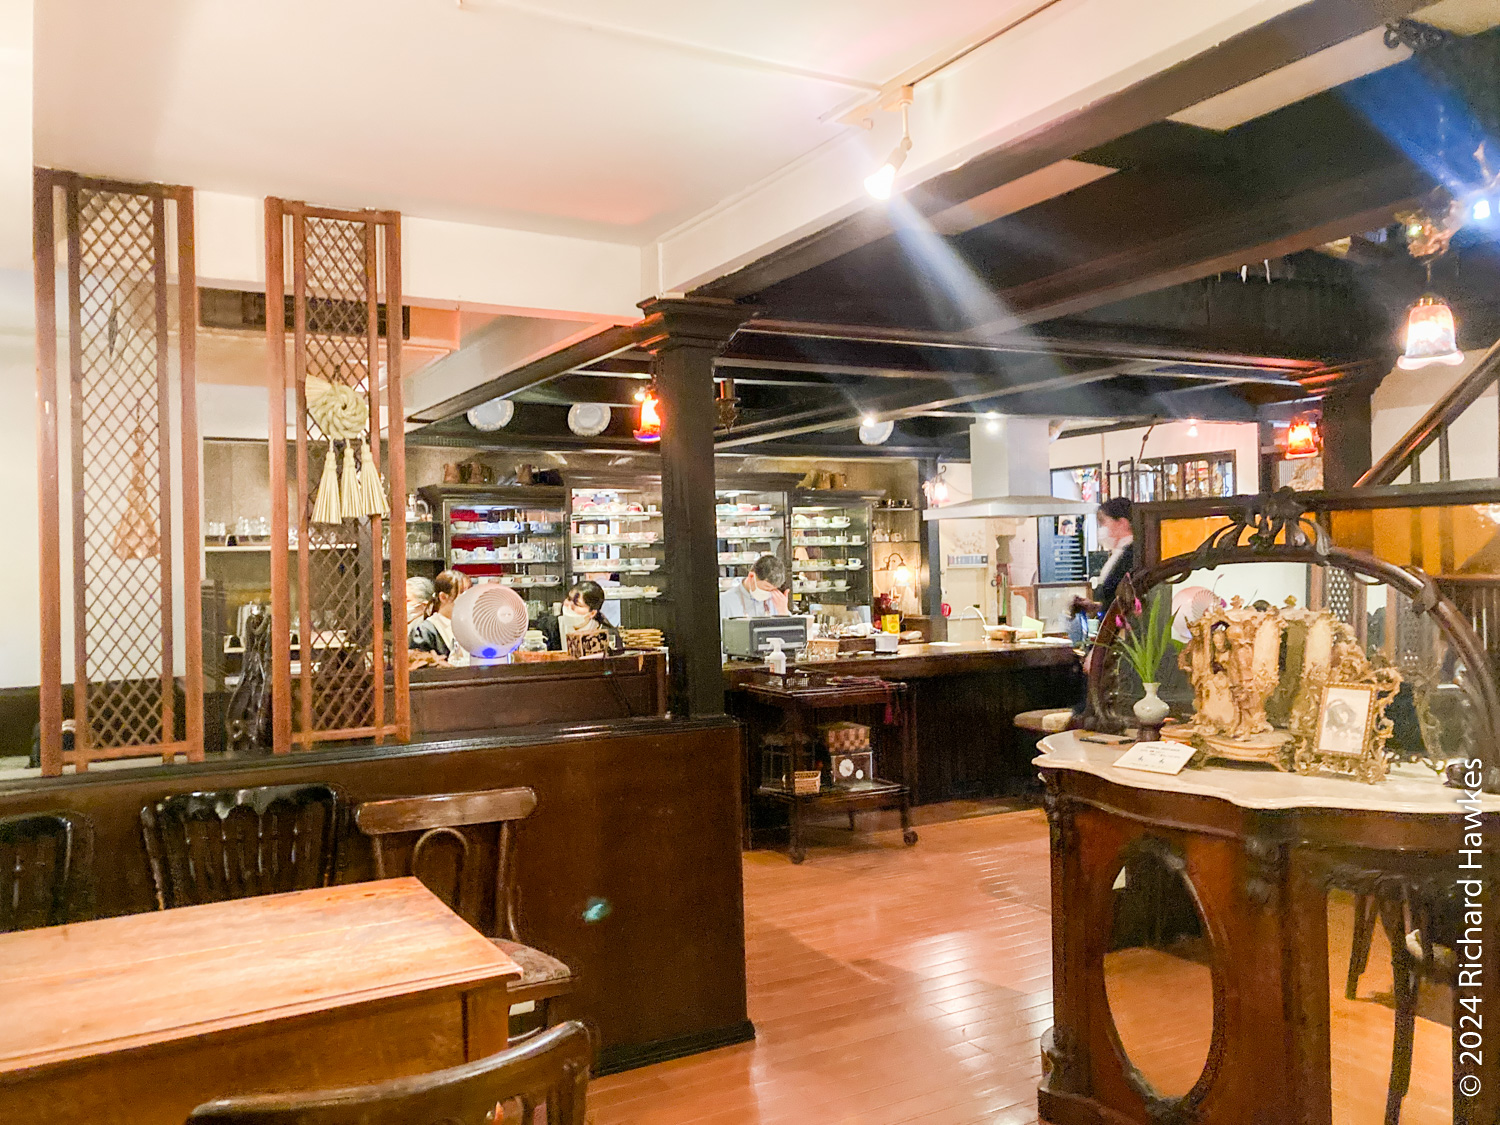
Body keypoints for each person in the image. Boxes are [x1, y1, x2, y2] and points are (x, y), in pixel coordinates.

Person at [408, 569, 471, 665]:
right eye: (462, 592)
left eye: (469, 592)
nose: (468, 597)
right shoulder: (425, 631)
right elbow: (418, 666)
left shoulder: (470, 627)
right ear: (443, 597)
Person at [545, 580, 622, 657]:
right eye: (569, 599)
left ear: (592, 613)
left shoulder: (609, 636)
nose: (568, 605)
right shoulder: (550, 627)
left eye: (577, 604)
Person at [719, 554, 789, 622]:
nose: (768, 593)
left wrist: (784, 613)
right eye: (766, 588)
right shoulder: (725, 602)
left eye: (773, 590)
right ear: (751, 576)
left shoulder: (777, 602)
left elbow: (790, 629)